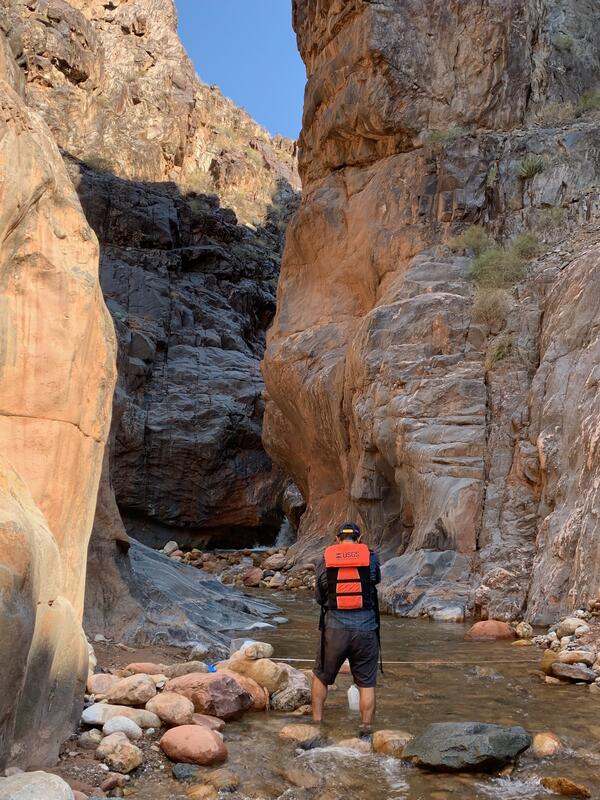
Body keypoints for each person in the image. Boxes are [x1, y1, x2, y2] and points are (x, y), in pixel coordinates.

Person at [312, 521, 382, 733]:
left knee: (321, 676)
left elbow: (319, 596)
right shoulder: (371, 558)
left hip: (334, 629)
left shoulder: (324, 559)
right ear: (359, 539)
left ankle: (317, 724)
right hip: (367, 629)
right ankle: (366, 729)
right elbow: (375, 582)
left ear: (337, 539)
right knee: (366, 683)